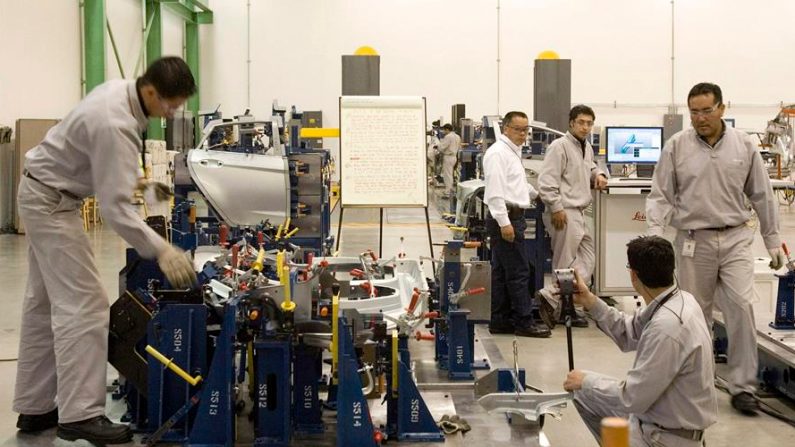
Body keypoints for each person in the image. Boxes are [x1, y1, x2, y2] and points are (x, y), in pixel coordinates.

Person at [13, 56, 198, 443]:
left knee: (42, 305)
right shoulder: (117, 123)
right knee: (85, 304)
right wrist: (163, 250)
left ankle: (35, 408)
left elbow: (105, 167)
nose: (170, 114)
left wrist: (146, 187)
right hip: (53, 203)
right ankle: (81, 414)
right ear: (151, 92)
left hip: (40, 190)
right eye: (170, 105)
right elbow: (114, 211)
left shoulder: (117, 91)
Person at [646, 82, 784, 416]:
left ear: (722, 108)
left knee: (741, 308)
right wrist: (653, 237)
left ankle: (742, 387)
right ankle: (699, 383)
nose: (700, 118)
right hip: (695, 240)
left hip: (736, 236)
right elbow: (660, 194)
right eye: (694, 111)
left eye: (707, 110)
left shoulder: (744, 145)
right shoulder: (677, 146)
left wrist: (772, 240)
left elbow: (762, 195)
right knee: (695, 315)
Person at [563, 236, 717, 446]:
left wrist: (586, 381)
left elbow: (632, 397)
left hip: (665, 438)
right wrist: (590, 301)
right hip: (656, 420)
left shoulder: (667, 329)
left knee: (584, 385)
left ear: (633, 275)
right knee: (582, 392)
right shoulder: (678, 300)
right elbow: (629, 332)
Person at [536, 105, 608, 329]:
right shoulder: (560, 147)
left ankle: (550, 295)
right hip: (564, 210)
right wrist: (556, 208)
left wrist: (599, 174)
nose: (585, 127)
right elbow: (546, 182)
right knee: (565, 264)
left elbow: (591, 167)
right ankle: (564, 309)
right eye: (581, 122)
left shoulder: (586, 147)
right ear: (571, 123)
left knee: (588, 260)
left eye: (589, 123)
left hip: (582, 210)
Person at [483, 111, 550, 338]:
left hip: (512, 216)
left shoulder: (513, 152)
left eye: (525, 130)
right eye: (518, 129)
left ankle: (500, 320)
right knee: (520, 272)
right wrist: (504, 223)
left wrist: (535, 194)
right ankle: (524, 322)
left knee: (502, 272)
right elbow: (494, 193)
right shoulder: (498, 154)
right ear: (505, 129)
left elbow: (515, 184)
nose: (523, 134)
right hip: (507, 219)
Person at [438, 123, 462, 199]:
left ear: (447, 129)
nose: (443, 132)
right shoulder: (457, 136)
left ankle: (448, 192)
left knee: (447, 175)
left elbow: (442, 147)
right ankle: (450, 190)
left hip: (448, 157)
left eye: (444, 130)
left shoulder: (448, 137)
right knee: (450, 174)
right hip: (454, 157)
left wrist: (437, 147)